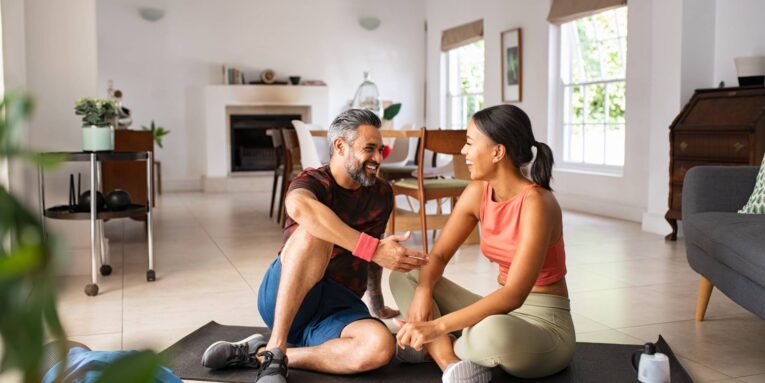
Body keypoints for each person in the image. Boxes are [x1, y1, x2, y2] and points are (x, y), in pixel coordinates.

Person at [201, 109, 427, 383]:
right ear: (340, 146)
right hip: (287, 293)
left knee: (380, 347)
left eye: (381, 150)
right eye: (369, 149)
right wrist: (373, 248)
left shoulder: (381, 194)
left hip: (337, 307)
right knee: (315, 232)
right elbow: (299, 207)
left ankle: (264, 355)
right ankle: (277, 344)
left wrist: (377, 304)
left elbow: (372, 259)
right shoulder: (312, 181)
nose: (378, 159)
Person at [391, 104, 575, 383]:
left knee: (493, 332)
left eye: (469, 143)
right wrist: (424, 291)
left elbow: (514, 294)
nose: (463, 151)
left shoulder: (538, 203)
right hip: (500, 309)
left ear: (497, 152)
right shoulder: (478, 191)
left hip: (544, 325)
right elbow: (438, 255)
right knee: (407, 275)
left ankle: (431, 346)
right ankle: (450, 363)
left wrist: (435, 325)